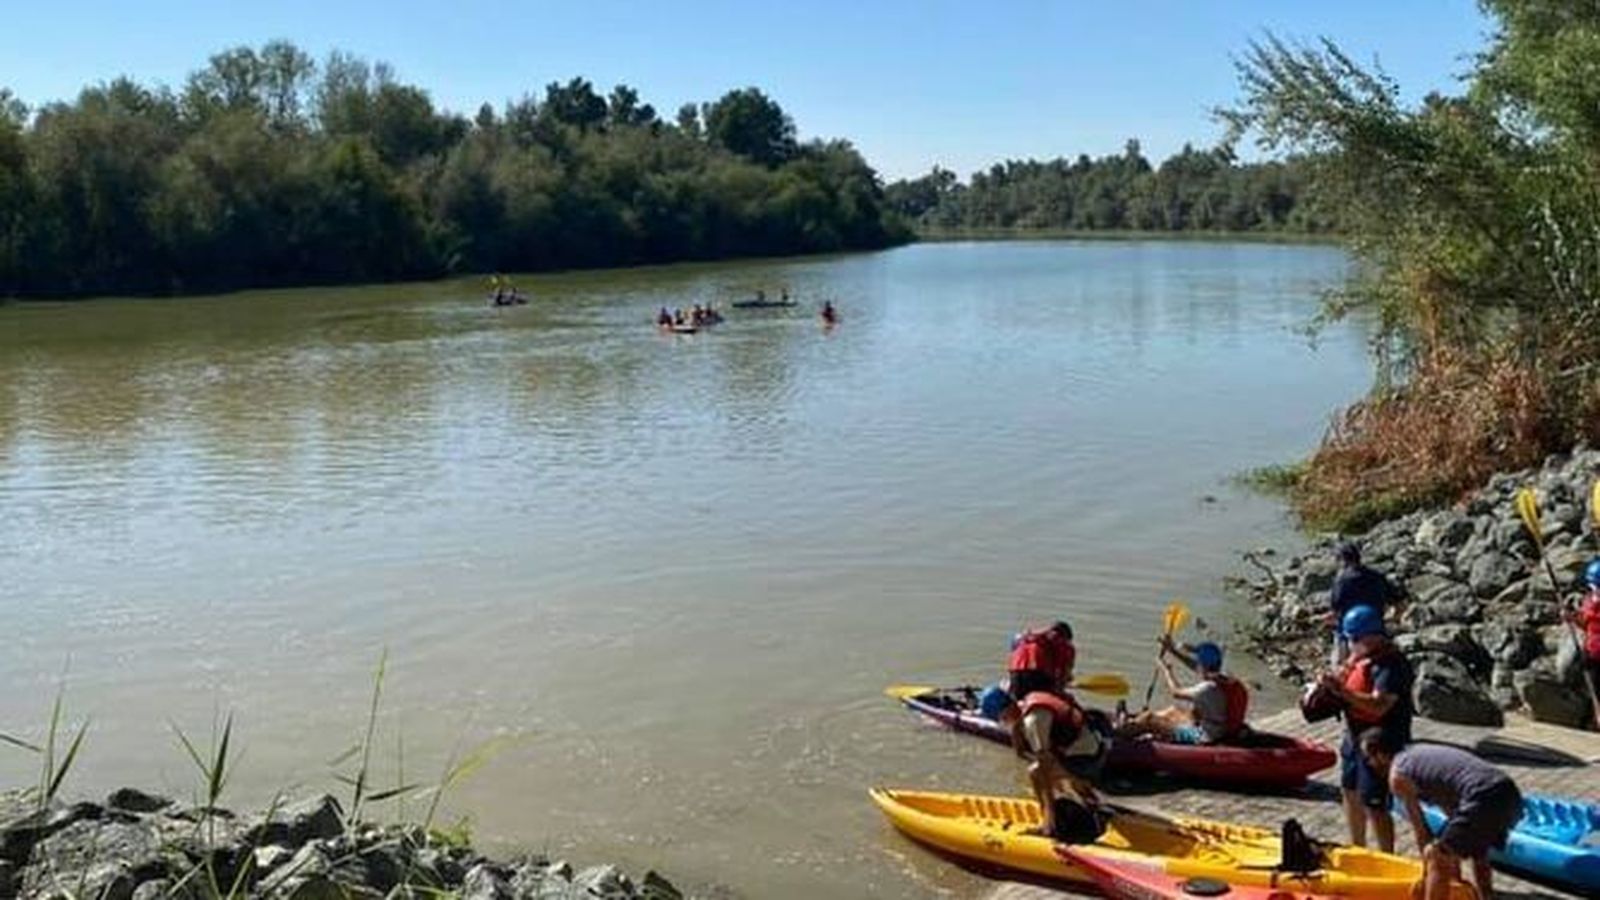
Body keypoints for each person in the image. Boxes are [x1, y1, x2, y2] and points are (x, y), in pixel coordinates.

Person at [1361, 732, 1522, 900]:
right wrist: (1454, 875)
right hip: (1508, 793)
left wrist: (1428, 871)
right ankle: (1486, 896)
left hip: (1483, 795)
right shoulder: (1417, 756)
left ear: (1381, 755)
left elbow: (1421, 831)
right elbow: (1454, 817)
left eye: (1369, 758)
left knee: (1436, 855)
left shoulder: (1398, 776)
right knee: (1477, 849)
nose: (1369, 764)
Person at [1318, 604, 1414, 852]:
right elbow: (1347, 683)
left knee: (1375, 804)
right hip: (1354, 735)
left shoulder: (1392, 665)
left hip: (1380, 741)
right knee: (1349, 790)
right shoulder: (1359, 659)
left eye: (1355, 639)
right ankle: (1357, 847)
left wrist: (1343, 692)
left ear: (1371, 636)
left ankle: (1386, 855)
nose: (1351, 644)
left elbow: (1379, 706)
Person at [993, 687, 1109, 842]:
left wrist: (1049, 808)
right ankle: (1092, 802)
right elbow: (1022, 754)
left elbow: (1043, 766)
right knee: (1052, 768)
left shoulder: (1033, 720)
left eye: (1003, 718)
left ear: (1007, 710)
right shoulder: (1028, 701)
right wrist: (1016, 732)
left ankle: (1049, 825)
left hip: (1087, 759)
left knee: (1034, 772)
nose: (1003, 723)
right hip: (1092, 751)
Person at [1115, 639, 1249, 745]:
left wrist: (1167, 671)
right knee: (1173, 710)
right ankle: (1135, 720)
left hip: (1204, 736)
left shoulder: (1207, 689)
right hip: (1217, 728)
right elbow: (1195, 666)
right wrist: (1172, 650)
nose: (1196, 664)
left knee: (1150, 719)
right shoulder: (1226, 679)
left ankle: (1121, 731)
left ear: (1203, 665)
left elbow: (1175, 692)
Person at [1328, 541, 1400, 664]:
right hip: (1375, 628)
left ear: (1341, 560)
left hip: (1350, 632)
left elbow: (1335, 608)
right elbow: (1396, 600)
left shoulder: (1341, 581)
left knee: (1341, 664)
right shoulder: (1376, 576)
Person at [1563, 558, 1600, 729]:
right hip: (1591, 651)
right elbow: (1585, 623)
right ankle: (1589, 717)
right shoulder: (1590, 600)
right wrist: (1572, 618)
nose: (1595, 589)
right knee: (1588, 685)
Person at [1008, 621, 1076, 697]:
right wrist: (1061, 686)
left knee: (1019, 698)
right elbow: (1063, 671)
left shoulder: (1025, 637)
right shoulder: (1064, 643)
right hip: (1037, 671)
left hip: (1015, 670)